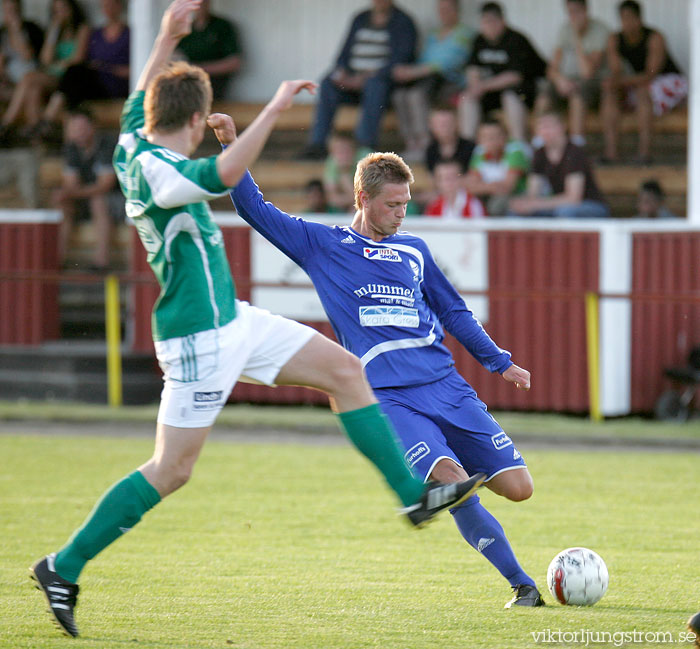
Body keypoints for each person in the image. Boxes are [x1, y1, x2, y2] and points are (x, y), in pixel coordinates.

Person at [29, 1, 483, 638]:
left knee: (346, 372)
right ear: (191, 121)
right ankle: (62, 566)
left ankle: (413, 495)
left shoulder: (135, 133)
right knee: (172, 469)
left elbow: (141, 89)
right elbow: (223, 172)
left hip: (231, 319)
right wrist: (274, 108)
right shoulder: (159, 171)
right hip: (196, 338)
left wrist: (165, 34)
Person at [220, 123, 544, 607]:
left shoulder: (414, 251)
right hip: (391, 398)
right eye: (393, 204)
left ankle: (508, 568)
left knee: (519, 488)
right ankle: (524, 587)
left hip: (447, 386)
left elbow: (453, 311)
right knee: (452, 483)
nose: (401, 213)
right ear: (362, 198)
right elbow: (254, 209)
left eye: (406, 204)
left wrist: (499, 362)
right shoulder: (322, 245)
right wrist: (229, 144)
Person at [299, 0, 417, 159]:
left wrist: (368, 77)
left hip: (382, 86)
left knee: (375, 85)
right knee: (328, 82)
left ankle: (365, 145)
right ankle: (318, 144)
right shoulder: (360, 18)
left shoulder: (403, 22)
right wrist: (342, 73)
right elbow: (344, 54)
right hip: (353, 83)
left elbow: (402, 59)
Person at [601, 0, 687, 164]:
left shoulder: (654, 37)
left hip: (667, 83)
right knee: (610, 93)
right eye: (623, 18)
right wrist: (614, 84)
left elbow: (650, 74)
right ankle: (611, 153)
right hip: (636, 84)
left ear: (639, 18)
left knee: (642, 91)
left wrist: (621, 82)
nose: (627, 22)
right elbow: (616, 71)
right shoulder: (615, 39)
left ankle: (644, 153)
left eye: (630, 18)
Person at [391, 0, 474, 161]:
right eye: (441, 10)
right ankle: (411, 141)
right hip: (427, 78)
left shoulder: (465, 33)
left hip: (450, 81)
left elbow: (452, 61)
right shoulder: (434, 34)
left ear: (457, 10)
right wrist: (411, 71)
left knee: (416, 95)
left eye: (448, 9)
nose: (444, 13)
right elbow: (424, 59)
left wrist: (416, 71)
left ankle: (425, 142)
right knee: (399, 95)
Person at [0, 0, 89, 142]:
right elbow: (45, 60)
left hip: (67, 79)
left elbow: (77, 59)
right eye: (56, 11)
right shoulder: (54, 31)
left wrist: (56, 64)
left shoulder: (82, 29)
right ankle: (38, 134)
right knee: (33, 90)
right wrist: (54, 31)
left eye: (63, 9)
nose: (61, 14)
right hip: (50, 75)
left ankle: (6, 124)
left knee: (29, 78)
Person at [458, 2, 545, 142]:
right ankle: (467, 147)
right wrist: (474, 87)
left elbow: (515, 76)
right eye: (484, 22)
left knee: (510, 96)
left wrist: (482, 86)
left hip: (523, 92)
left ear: (502, 21)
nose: (488, 26)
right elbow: (472, 68)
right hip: (491, 92)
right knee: (467, 98)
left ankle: (518, 145)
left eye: (491, 22)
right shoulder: (479, 40)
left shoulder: (516, 39)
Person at [38, 0, 130, 133]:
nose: (107, 9)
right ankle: (55, 127)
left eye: (111, 5)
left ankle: (48, 121)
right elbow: (46, 60)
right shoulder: (97, 34)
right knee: (75, 75)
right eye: (105, 5)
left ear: (119, 6)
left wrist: (109, 68)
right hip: (95, 83)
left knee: (75, 72)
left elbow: (135, 69)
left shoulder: (129, 34)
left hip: (116, 83)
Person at [53, 105, 118, 271]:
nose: (79, 132)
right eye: (74, 128)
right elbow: (70, 184)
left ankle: (101, 262)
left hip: (118, 201)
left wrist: (71, 192)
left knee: (97, 200)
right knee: (65, 203)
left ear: (93, 126)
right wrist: (69, 193)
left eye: (82, 127)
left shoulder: (108, 143)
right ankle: (59, 261)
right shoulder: (71, 148)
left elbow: (105, 185)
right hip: (87, 199)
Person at [536, 0, 609, 147]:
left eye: (577, 12)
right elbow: (551, 69)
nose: (573, 17)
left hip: (592, 83)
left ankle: (576, 145)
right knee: (544, 96)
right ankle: (540, 143)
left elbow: (587, 72)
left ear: (586, 10)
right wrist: (560, 80)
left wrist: (577, 39)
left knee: (577, 95)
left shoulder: (600, 30)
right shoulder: (565, 29)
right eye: (570, 12)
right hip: (568, 81)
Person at [509, 111, 609, 218]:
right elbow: (533, 192)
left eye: (549, 126)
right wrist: (525, 204)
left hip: (590, 205)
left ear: (562, 127)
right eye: (541, 127)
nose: (545, 131)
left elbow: (574, 198)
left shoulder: (574, 152)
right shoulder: (540, 153)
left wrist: (537, 204)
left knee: (565, 212)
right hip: (560, 204)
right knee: (516, 212)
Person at [176, 0, 242, 99]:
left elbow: (235, 62)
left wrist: (198, 68)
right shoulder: (185, 28)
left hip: (216, 88)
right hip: (187, 90)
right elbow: (174, 56)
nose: (199, 5)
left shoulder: (222, 26)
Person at [465, 119, 529, 216]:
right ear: (479, 139)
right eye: (485, 137)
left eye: (494, 136)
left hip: (516, 197)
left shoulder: (515, 151)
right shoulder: (479, 152)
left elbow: (507, 187)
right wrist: (491, 186)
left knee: (496, 205)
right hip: (489, 195)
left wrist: (482, 186)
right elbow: (471, 186)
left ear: (504, 137)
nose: (490, 141)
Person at [0, 0, 44, 103]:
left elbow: (27, 56)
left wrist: (17, 31)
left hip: (29, 78)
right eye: (8, 10)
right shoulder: (2, 33)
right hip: (9, 80)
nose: (11, 14)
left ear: (20, 10)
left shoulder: (32, 29)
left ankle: (8, 119)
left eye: (14, 10)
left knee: (32, 91)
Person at [323, 131, 368, 212]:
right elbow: (331, 198)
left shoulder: (367, 160)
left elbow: (368, 198)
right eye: (338, 151)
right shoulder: (332, 161)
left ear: (354, 150)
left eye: (346, 150)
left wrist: (344, 174)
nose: (342, 155)